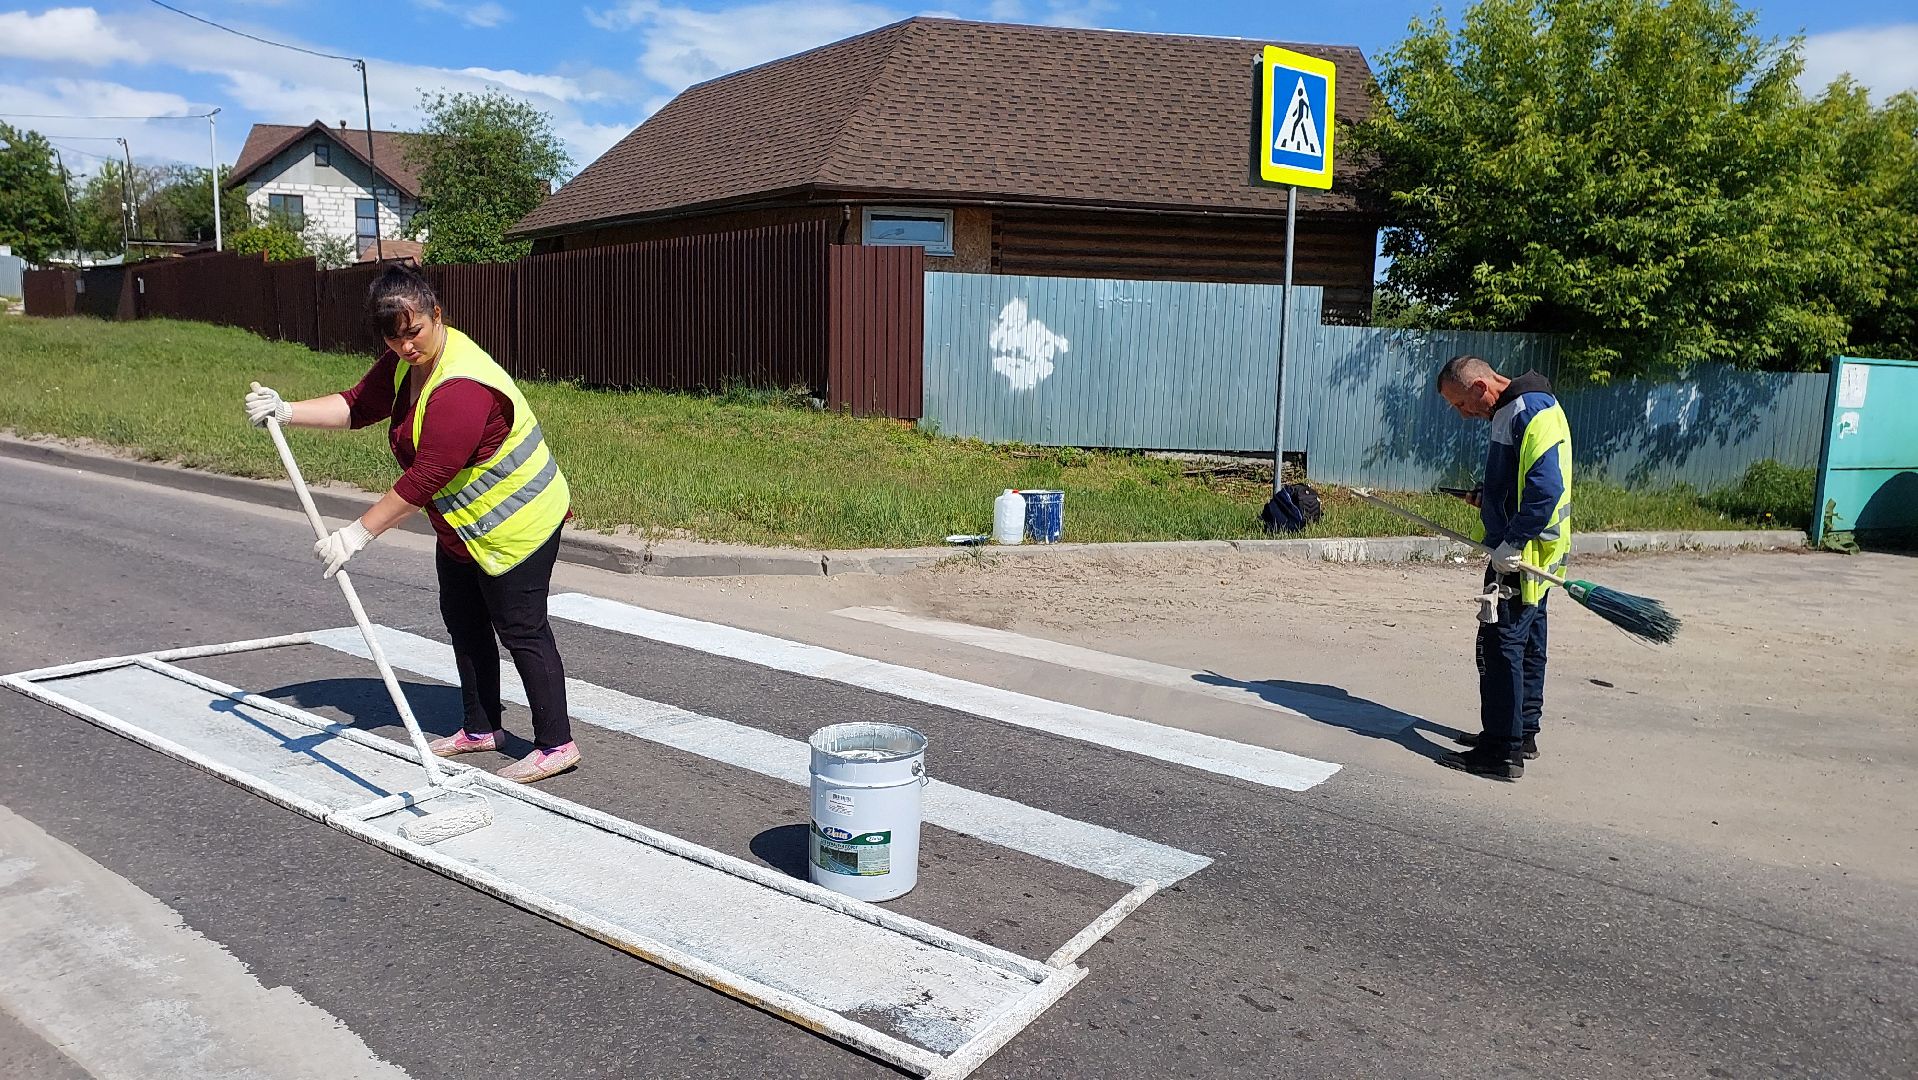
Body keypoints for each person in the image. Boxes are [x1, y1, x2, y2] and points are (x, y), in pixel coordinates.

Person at [244, 264, 580, 784]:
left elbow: (428, 476)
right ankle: (481, 727)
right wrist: (288, 410)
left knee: (521, 629)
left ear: (436, 315)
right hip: (464, 526)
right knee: (464, 621)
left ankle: (556, 743)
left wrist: (357, 535)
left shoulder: (463, 386)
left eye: (414, 332)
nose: (405, 347)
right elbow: (358, 405)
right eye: (393, 339)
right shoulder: (406, 364)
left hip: (518, 523)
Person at [1434, 354, 1572, 781]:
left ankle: (1500, 751)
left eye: (1461, 404)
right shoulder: (1519, 408)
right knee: (1528, 645)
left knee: (1499, 648)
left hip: (1521, 556)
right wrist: (1489, 497)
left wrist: (1512, 542)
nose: (1463, 415)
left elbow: (1546, 490)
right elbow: (1521, 480)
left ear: (1480, 387)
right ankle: (1522, 733)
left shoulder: (1525, 411)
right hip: (1533, 554)